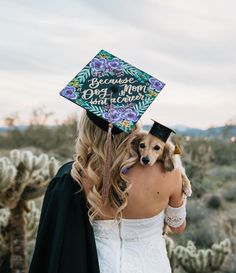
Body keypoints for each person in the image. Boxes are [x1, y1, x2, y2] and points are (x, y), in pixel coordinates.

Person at [28, 110, 187, 273]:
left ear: (88, 129)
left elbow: (55, 239)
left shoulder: (77, 174)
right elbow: (177, 226)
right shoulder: (171, 173)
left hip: (99, 266)